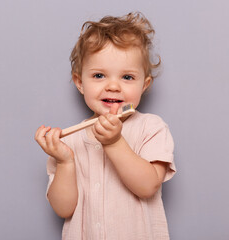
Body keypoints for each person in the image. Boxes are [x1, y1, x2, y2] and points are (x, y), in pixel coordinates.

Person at [35, 12, 176, 240]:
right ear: (80, 82)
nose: (113, 86)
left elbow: (148, 186)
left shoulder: (152, 128)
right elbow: (63, 209)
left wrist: (114, 142)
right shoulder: (69, 142)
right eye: (99, 75)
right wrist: (64, 161)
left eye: (127, 77)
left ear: (144, 84)